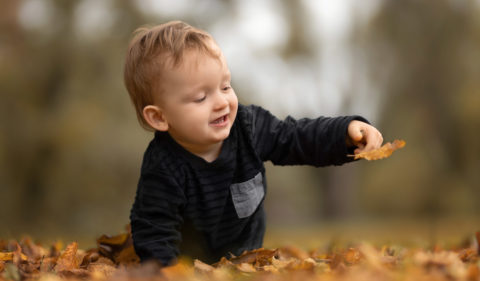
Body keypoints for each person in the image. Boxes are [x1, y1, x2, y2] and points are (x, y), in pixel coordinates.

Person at [123, 21, 383, 266]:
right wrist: (168, 273)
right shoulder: (163, 166)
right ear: (159, 117)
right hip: (188, 264)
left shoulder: (248, 127)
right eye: (201, 97)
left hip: (245, 258)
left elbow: (295, 137)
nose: (222, 102)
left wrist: (344, 133)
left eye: (225, 86)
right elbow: (155, 230)